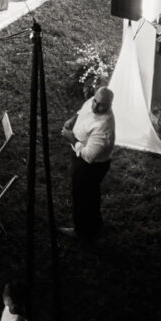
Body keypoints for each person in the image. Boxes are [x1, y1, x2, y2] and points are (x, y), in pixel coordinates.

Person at [59, 87, 115, 240]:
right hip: (82, 158)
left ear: (110, 105)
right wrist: (73, 119)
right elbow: (82, 111)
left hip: (90, 166)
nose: (95, 106)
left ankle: (81, 231)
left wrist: (72, 139)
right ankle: (95, 225)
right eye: (95, 101)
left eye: (101, 105)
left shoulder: (104, 128)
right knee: (91, 195)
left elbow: (89, 156)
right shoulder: (93, 101)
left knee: (81, 196)